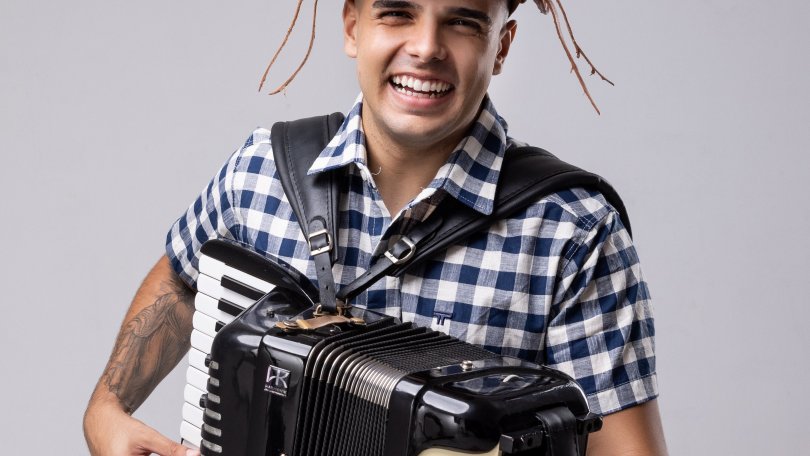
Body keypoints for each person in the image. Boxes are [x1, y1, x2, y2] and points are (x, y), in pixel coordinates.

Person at [83, 0, 667, 454]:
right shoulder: (261, 170)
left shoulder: (573, 232)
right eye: (396, 12)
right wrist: (106, 409)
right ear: (352, 26)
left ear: (502, 46)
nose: (426, 48)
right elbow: (182, 283)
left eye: (462, 22)